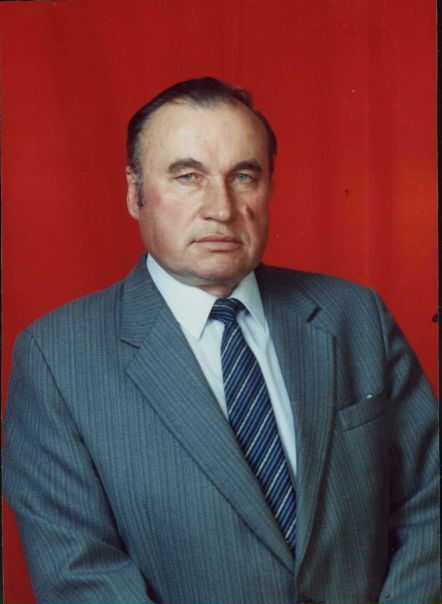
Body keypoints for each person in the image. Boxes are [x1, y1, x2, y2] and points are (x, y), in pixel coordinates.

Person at [3, 77, 438, 604]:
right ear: (134, 193)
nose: (222, 209)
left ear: (269, 187)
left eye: (244, 176)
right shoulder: (56, 358)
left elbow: (430, 505)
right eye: (188, 176)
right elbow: (80, 576)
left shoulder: (356, 315)